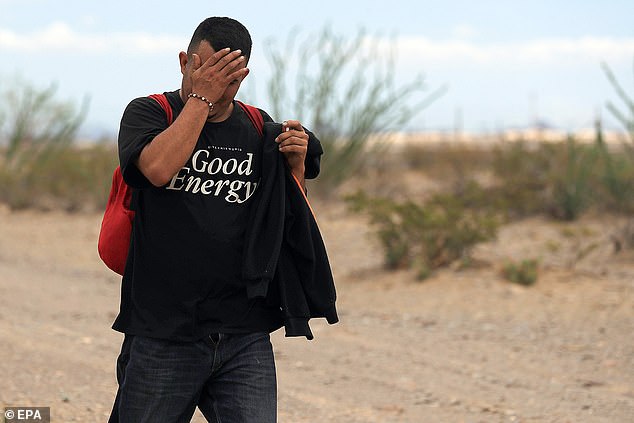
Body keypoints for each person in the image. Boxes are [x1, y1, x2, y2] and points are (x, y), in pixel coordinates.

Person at [108, 17, 327, 423]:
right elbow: (155, 169)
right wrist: (200, 102)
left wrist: (295, 169)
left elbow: (289, 224)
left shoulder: (258, 128)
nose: (210, 81)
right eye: (203, 69)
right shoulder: (148, 113)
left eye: (223, 76)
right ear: (183, 62)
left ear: (241, 76)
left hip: (243, 334)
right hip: (163, 331)